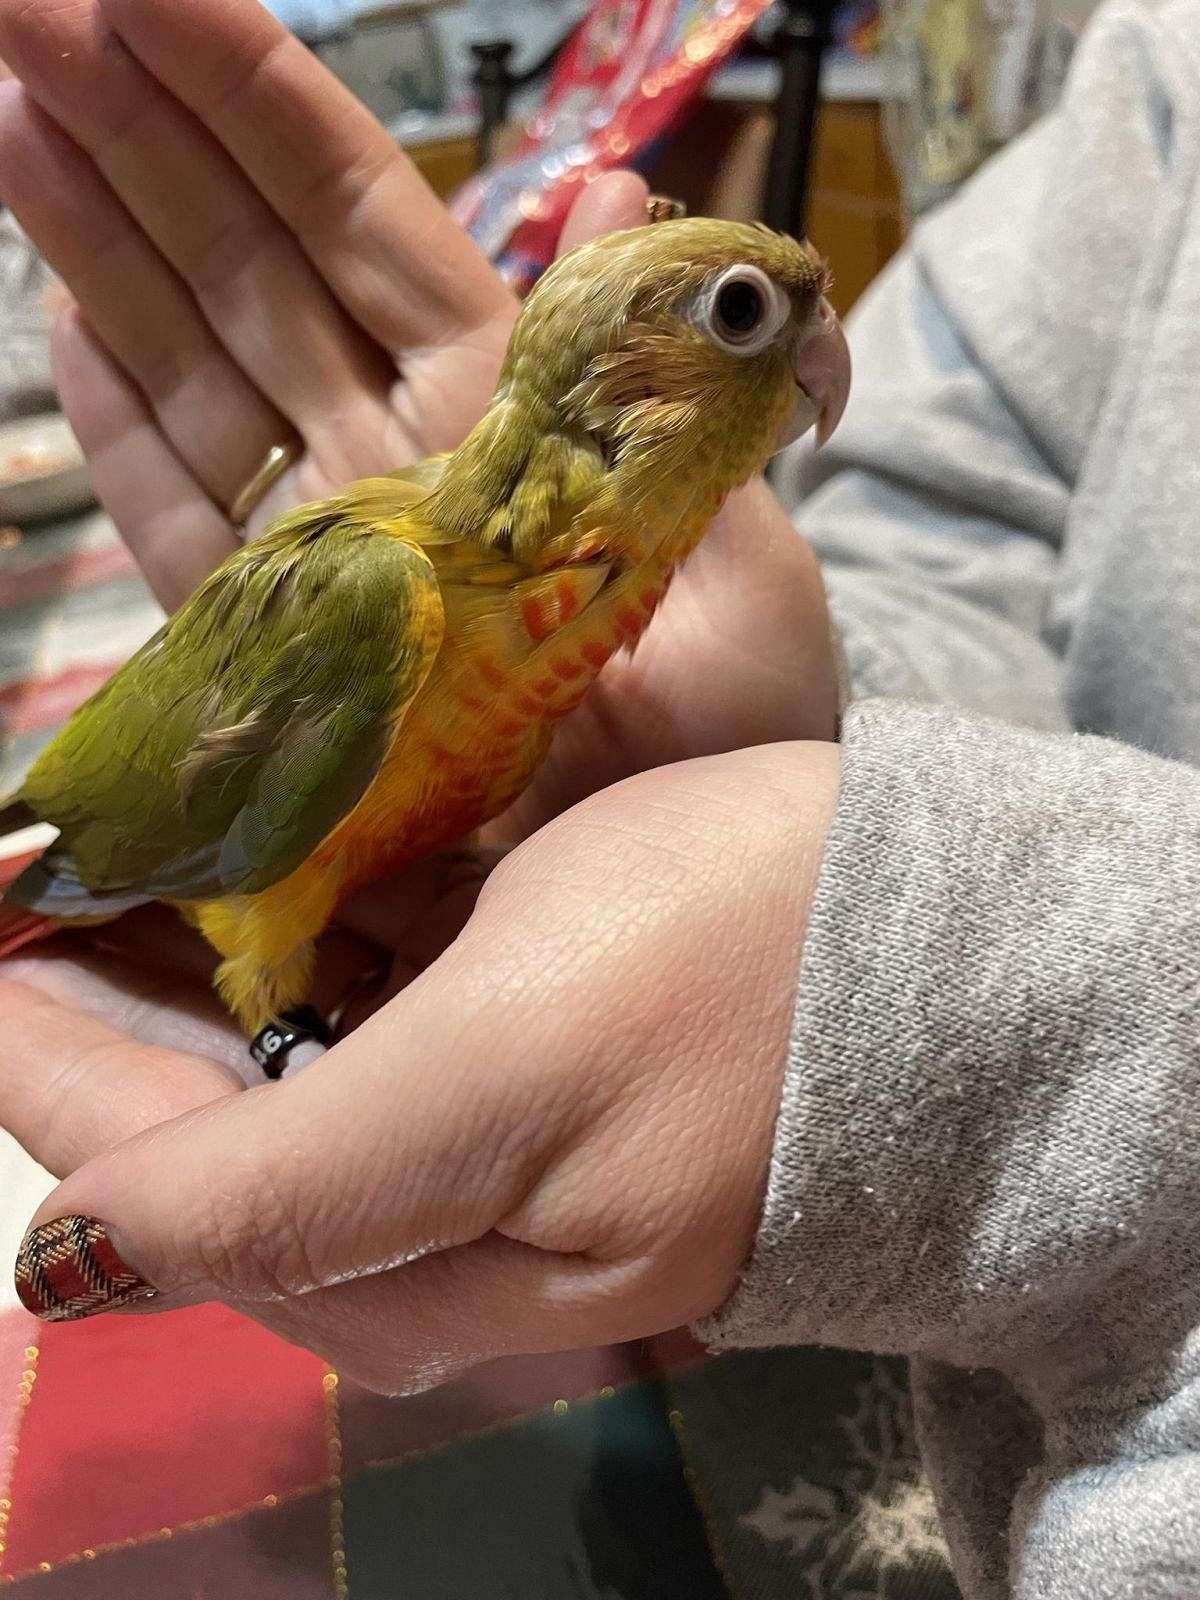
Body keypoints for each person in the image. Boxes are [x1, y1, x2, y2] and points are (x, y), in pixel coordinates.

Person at [0, 0, 1196, 1595]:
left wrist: (856, 885)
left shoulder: (552, 642)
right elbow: (956, 508)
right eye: (743, 312)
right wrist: (831, 731)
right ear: (619, 382)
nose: (812, 356)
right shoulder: (399, 602)